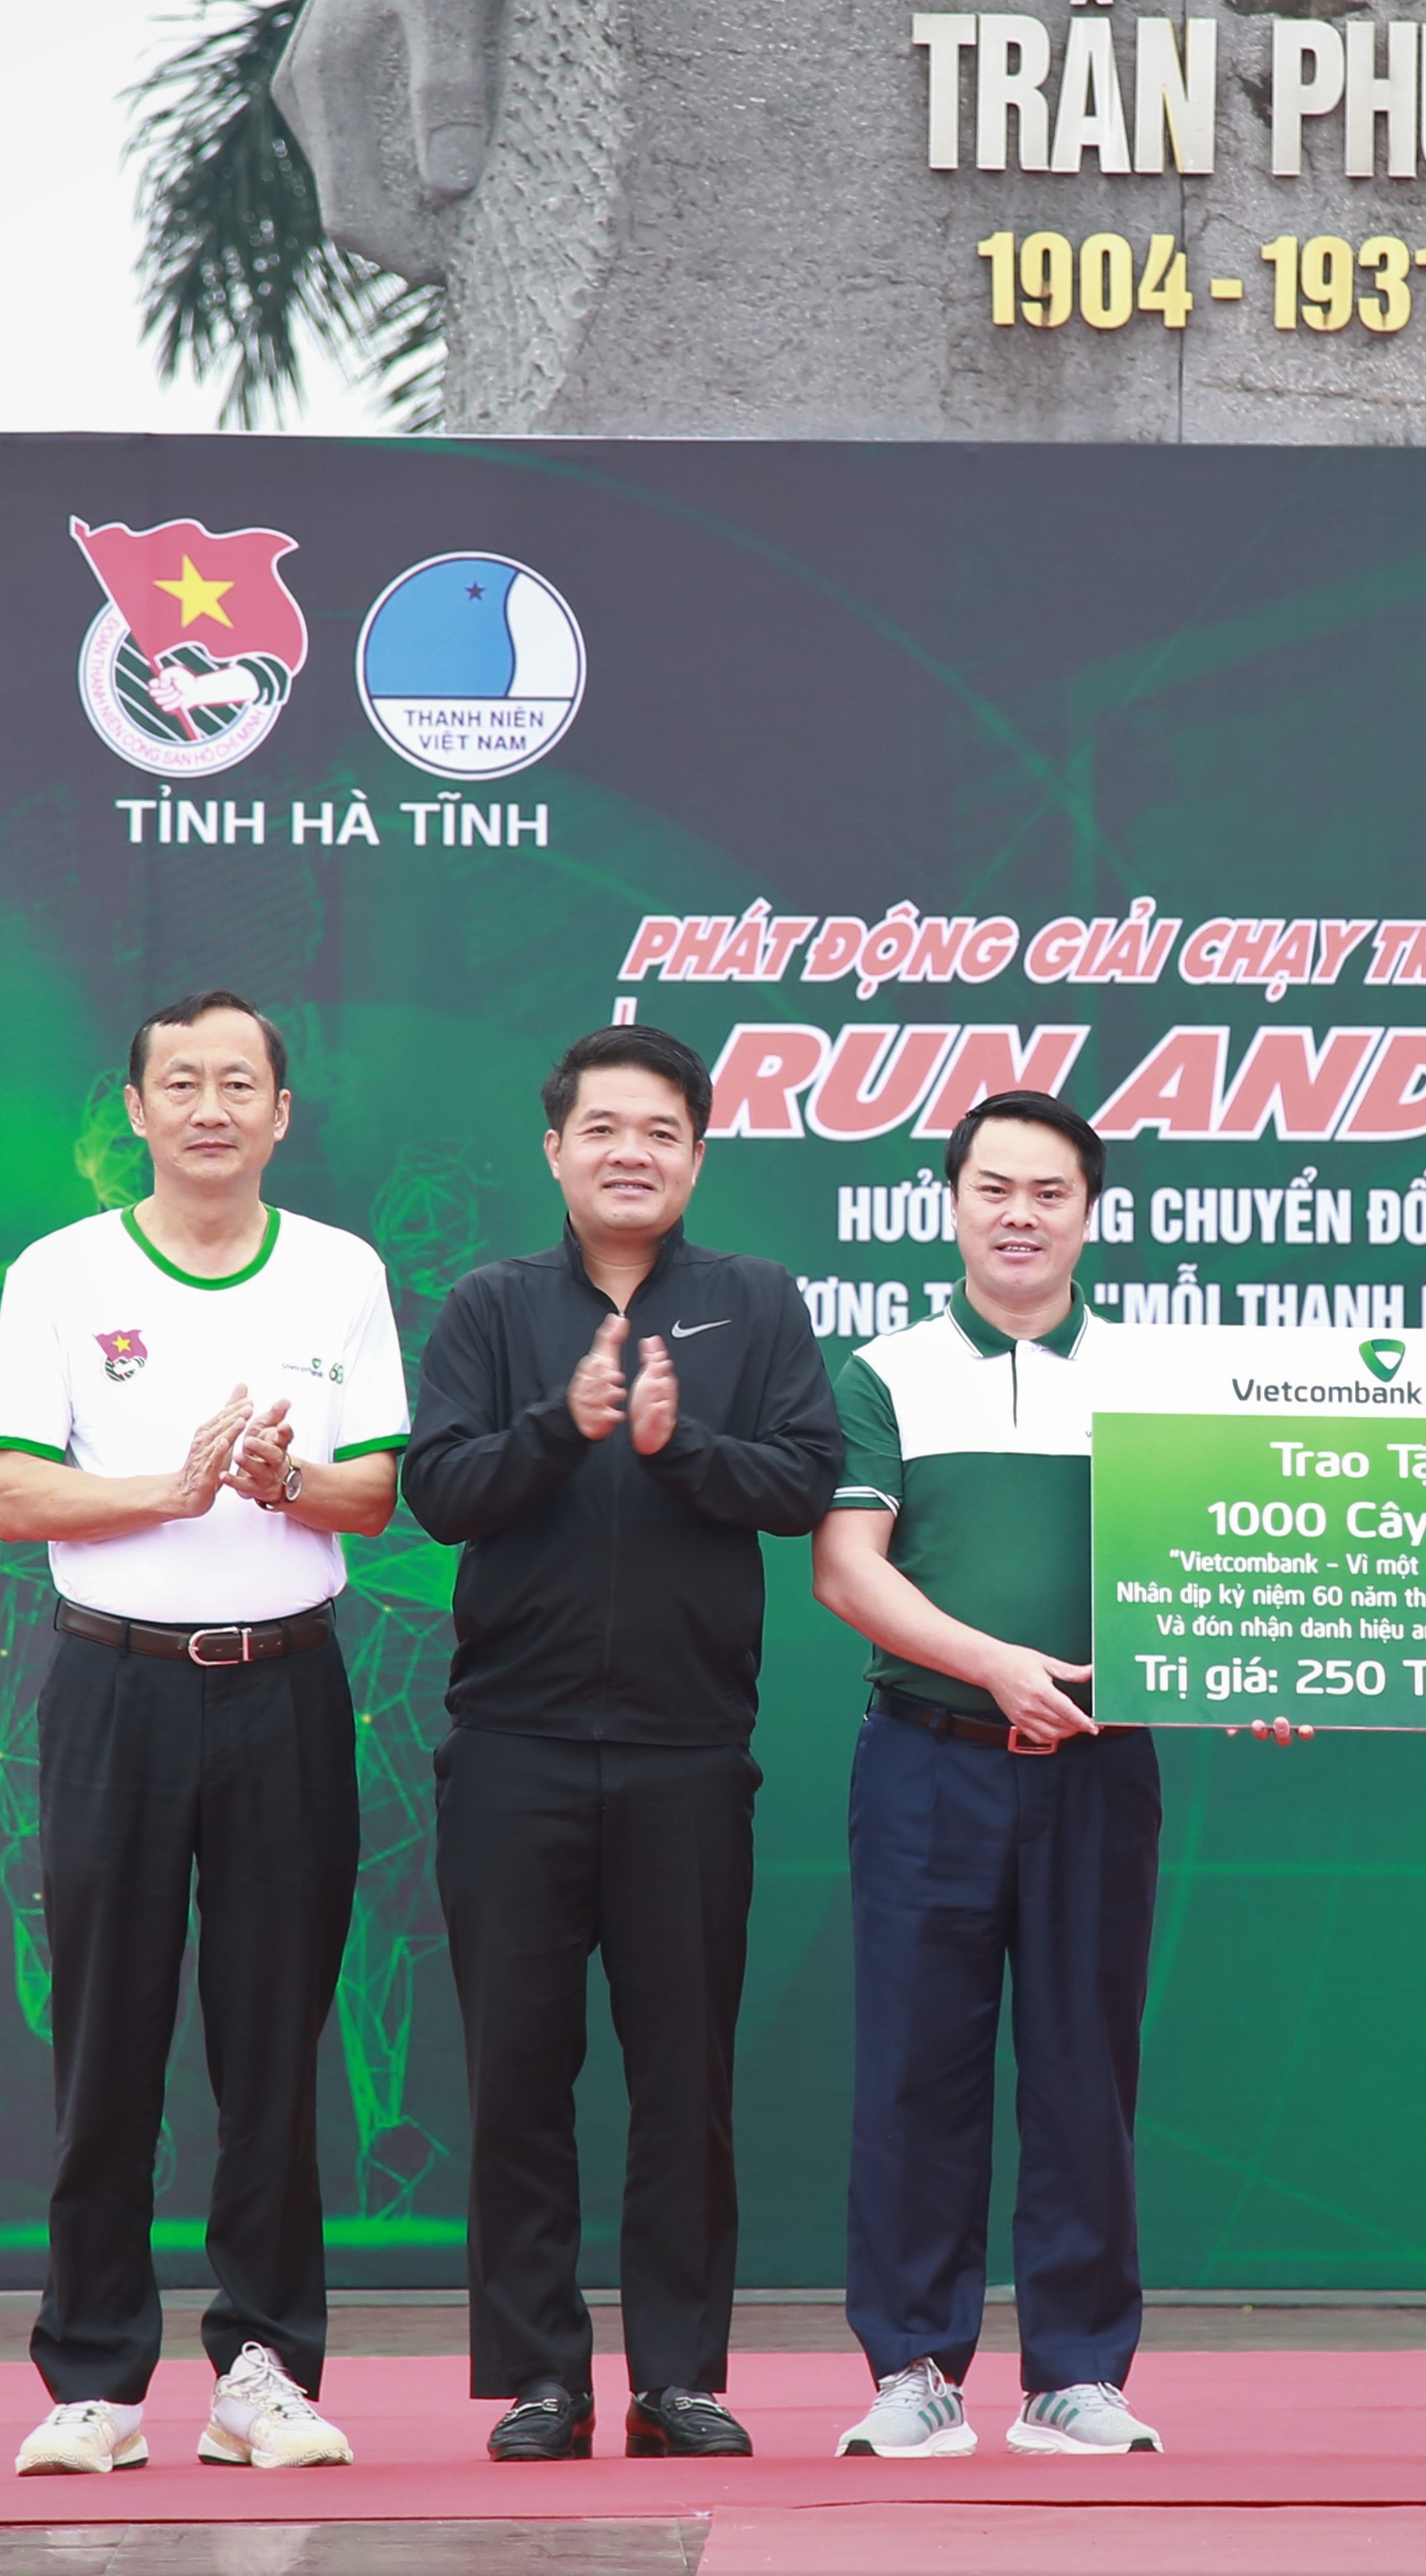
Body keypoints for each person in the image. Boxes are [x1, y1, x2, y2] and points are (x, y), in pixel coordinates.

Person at [0, 989, 409, 2479]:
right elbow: (17, 1493)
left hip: (285, 1686)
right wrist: (168, 1491)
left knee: (273, 2041)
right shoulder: (61, 1272)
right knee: (110, 2036)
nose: (210, 1108)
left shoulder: (341, 1272)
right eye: (182, 1084)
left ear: (282, 1114)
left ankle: (263, 2374)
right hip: (117, 1689)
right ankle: (96, 2381)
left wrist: (283, 1482)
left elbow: (374, 1494)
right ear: (138, 1111)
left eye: (240, 1084)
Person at [403, 1023, 842, 2461]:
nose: (630, 1153)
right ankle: (540, 2375)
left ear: (697, 1156)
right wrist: (562, 1425)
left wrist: (675, 1447)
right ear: (555, 1151)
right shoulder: (490, 1305)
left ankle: (677, 2378)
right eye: (602, 1128)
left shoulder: (757, 1302)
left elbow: (803, 1482)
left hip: (688, 1754)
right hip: (512, 1751)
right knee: (518, 2076)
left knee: (683, 2078)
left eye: (660, 1131)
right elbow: (440, 1491)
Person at [810, 1090, 1168, 2461]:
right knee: (916, 2069)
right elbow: (848, 1570)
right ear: (952, 1204)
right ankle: (914, 2368)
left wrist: (1257, 1673)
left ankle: (1077, 2373)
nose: (1021, 1217)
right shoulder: (884, 1372)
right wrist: (996, 1665)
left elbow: (1223, 1575)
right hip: (928, 1760)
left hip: (1100, 1771)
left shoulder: (1151, 1376)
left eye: (1050, 1193)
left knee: (1086, 2068)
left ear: (1090, 1213)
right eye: (994, 1190)